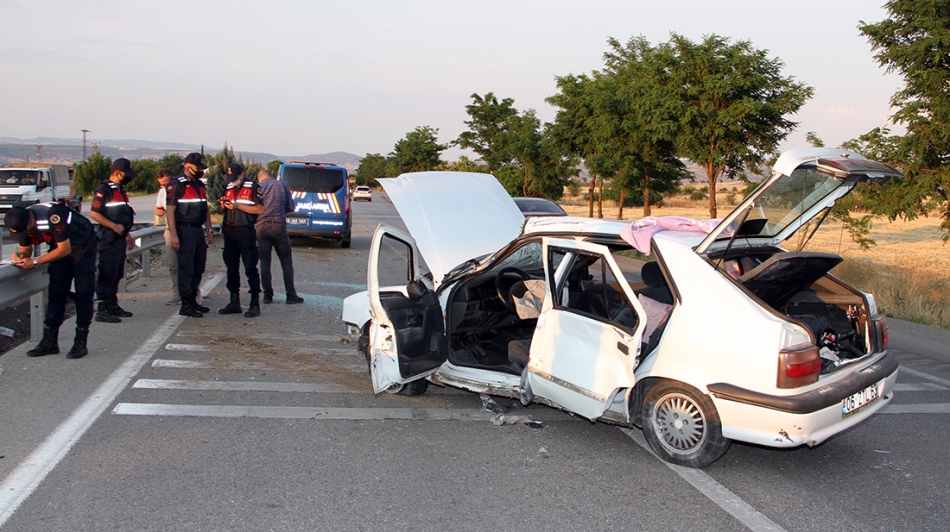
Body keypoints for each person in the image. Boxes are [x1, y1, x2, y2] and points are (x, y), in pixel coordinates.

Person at [4, 203, 97, 359]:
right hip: (59, 245)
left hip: (82, 245)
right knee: (56, 293)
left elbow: (65, 249)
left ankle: (80, 341)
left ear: (30, 222)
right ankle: (49, 342)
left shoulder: (53, 215)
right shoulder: (20, 220)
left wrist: (35, 262)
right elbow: (25, 248)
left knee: (83, 294)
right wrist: (19, 257)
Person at [166, 152, 214, 318]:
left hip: (198, 229)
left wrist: (209, 229)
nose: (199, 171)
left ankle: (193, 300)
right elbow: (170, 210)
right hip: (184, 230)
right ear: (187, 166)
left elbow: (205, 209)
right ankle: (186, 303)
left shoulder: (199, 185)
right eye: (197, 167)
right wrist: (173, 235)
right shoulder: (177, 184)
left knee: (198, 267)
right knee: (186, 267)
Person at [89, 158, 136, 323]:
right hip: (108, 239)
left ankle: (112, 304)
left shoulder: (120, 190)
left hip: (120, 239)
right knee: (107, 274)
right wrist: (113, 226)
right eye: (126, 174)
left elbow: (124, 216)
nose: (128, 177)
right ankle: (102, 309)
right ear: (117, 173)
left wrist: (128, 237)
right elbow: (94, 213)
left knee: (116, 273)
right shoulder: (104, 189)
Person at [217, 163, 264, 317]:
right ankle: (234, 301)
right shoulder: (228, 187)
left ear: (241, 174)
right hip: (229, 231)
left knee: (250, 267)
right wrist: (222, 205)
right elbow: (220, 210)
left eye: (235, 177)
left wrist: (238, 206)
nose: (232, 180)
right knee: (231, 268)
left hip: (245, 231)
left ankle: (254, 303)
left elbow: (260, 209)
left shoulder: (253, 187)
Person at [255, 170, 304, 304]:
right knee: (286, 261)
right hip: (278, 226)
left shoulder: (258, 187)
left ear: (259, 178)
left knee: (265, 262)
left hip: (261, 226)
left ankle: (267, 294)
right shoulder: (282, 185)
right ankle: (291, 295)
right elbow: (290, 206)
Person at [153, 168, 179, 305]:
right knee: (173, 264)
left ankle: (193, 291)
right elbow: (158, 210)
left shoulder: (181, 190)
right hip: (170, 230)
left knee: (188, 264)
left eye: (166, 183)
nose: (164, 186)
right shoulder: (162, 192)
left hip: (184, 230)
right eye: (161, 184)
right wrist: (159, 212)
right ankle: (177, 293)